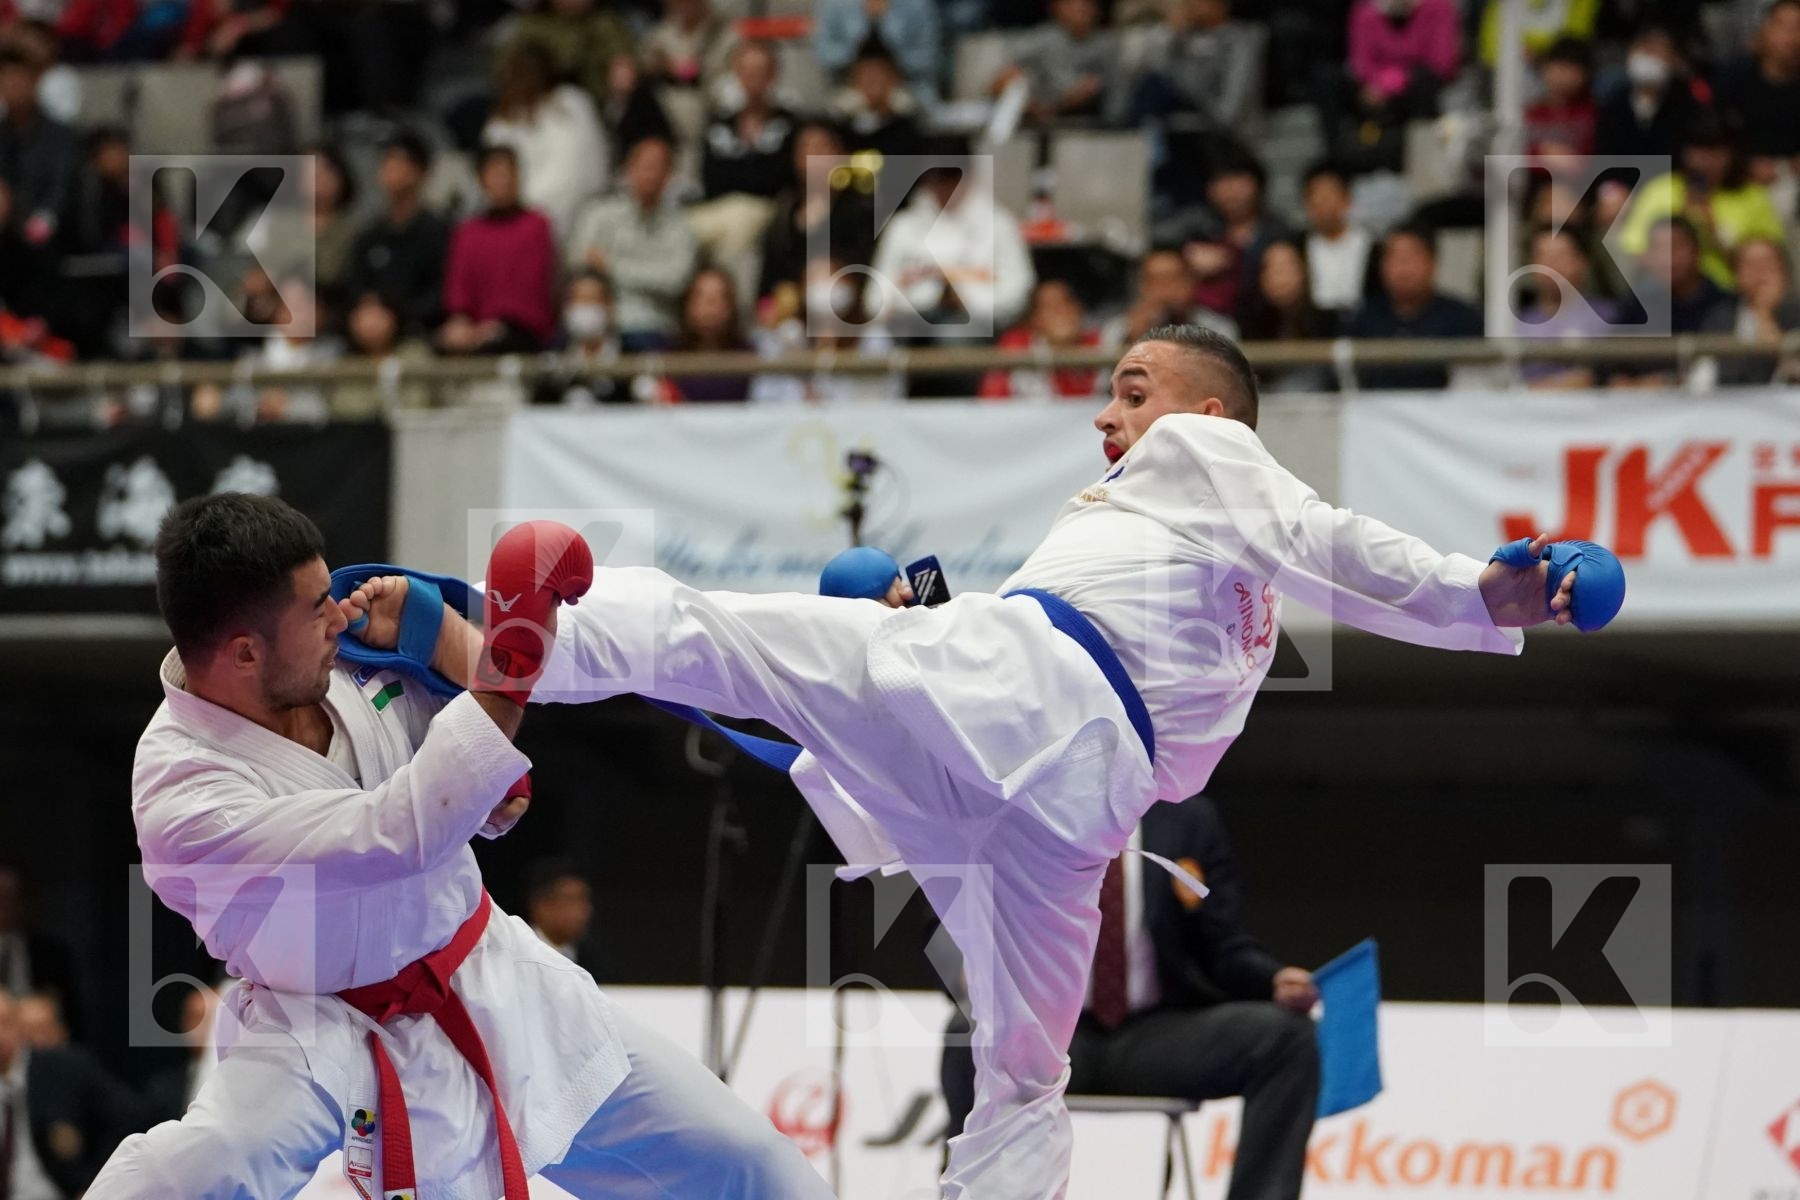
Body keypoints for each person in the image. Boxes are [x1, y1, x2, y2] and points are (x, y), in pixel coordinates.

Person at [521, 323, 1593, 1199]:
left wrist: (1475, 591)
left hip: (1056, 755)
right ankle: (496, 639)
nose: (1106, 414)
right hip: (1048, 755)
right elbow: (1321, 561)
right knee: (1023, 1078)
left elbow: (1333, 545)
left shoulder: (1208, 460)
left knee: (739, 647)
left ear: (1208, 417)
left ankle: (516, 639)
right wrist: (1472, 597)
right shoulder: (1182, 547)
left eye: (1133, 390)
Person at [88, 493, 835, 1198]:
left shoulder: (343, 659)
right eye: (315, 609)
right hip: (321, 1032)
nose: (336, 618)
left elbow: (501, 798)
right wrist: (509, 668)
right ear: (245, 654)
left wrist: (439, 638)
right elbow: (393, 836)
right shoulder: (185, 794)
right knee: (199, 1166)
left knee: (754, 1166)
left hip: (492, 976)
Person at [941, 794, 1320, 1200]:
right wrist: (967, 970)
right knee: (970, 1030)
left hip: (1157, 1036)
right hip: (1045, 1033)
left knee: (1288, 1038)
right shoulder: (1020, 806)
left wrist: (1274, 978)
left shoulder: (1185, 817)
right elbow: (944, 923)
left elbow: (1222, 943)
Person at [864, 145, 1036, 338]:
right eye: (934, 177)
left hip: (976, 321)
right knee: (876, 338)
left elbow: (1018, 292)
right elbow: (875, 296)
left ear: (969, 175)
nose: (942, 187)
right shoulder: (903, 226)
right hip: (909, 320)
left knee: (952, 334)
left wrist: (966, 299)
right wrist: (906, 301)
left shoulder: (999, 224)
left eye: (950, 176)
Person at [2, 987, 150, 1199]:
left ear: (19, 1025)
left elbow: (132, 1116)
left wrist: (97, 1181)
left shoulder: (60, 1067)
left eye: (4, 1022)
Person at [1616, 109, 1786, 292]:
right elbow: (1634, 251)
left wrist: (1716, 232)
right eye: (1698, 152)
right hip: (1667, 296)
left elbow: (1769, 263)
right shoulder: (1659, 191)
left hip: (1733, 297)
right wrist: (1677, 247)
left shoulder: (1753, 198)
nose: (1705, 162)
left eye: (1716, 153)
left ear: (1732, 154)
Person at [566, 136, 698, 349]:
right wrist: (650, 275)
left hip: (655, 326)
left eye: (657, 167)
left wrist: (612, 267)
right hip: (598, 324)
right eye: (644, 166)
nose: (649, 175)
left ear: (669, 176)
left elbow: (676, 280)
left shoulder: (681, 227)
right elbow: (580, 263)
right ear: (629, 169)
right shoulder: (599, 215)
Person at [439, 143, 560, 354]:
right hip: (475, 331)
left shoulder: (536, 226)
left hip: (523, 331)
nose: (502, 181)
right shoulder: (468, 232)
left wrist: (498, 325)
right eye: (495, 174)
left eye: (508, 174)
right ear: (481, 180)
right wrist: (462, 324)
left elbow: (535, 289)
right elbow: (459, 292)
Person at [483, 41, 610, 241]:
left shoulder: (574, 103)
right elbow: (497, 184)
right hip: (527, 229)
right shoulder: (502, 123)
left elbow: (592, 173)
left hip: (583, 222)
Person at [1343, 222, 1482, 389]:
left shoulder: (1463, 318)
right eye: (1394, 257)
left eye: (1412, 257)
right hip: (1371, 410)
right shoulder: (1361, 318)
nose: (1403, 268)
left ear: (1433, 262)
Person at [349, 130, 451, 339]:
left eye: (399, 163)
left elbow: (441, 293)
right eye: (386, 163)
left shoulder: (438, 233)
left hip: (420, 335)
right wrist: (368, 310)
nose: (391, 170)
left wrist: (397, 318)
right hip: (368, 337)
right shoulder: (369, 235)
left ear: (420, 172)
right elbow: (357, 288)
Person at [1697, 235, 1800, 385]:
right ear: (1736, 274)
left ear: (1784, 272)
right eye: (1751, 265)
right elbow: (1706, 372)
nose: (1760, 273)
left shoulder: (1797, 314)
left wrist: (1765, 314)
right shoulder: (1722, 316)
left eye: (1768, 263)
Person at [1238, 238, 1338, 393]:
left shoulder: (1329, 321)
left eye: (1285, 267)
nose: (1278, 276)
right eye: (1269, 269)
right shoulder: (1249, 324)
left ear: (1303, 271)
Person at [978, 278, 1105, 400]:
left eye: (1066, 302)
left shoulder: (1102, 344)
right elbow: (990, 402)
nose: (1059, 312)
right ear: (1035, 319)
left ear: (1078, 309)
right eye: (1048, 307)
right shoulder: (1017, 346)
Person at [1713, 0, 1800, 174]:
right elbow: (1712, 134)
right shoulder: (1733, 78)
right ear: (1764, 29)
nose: (1791, 37)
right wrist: (1744, 162)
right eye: (1783, 26)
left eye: (1798, 28)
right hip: (1738, 176)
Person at [994, 0, 1117, 122]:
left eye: (1087, 4)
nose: (1080, 9)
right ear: (1055, 8)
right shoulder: (1043, 38)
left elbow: (1115, 87)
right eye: (1070, 4)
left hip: (1084, 114)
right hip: (1036, 107)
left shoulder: (1106, 45)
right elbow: (1005, 69)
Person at [1594, 25, 1700, 160]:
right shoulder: (1613, 105)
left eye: (1658, 52)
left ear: (1674, 60)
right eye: (1644, 50)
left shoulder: (1687, 109)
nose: (1649, 58)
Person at [1101, 245, 1238, 348]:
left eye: (1172, 280)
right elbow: (1106, 383)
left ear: (1190, 282)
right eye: (1156, 282)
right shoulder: (1117, 330)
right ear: (1142, 287)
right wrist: (1131, 339)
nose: (1165, 291)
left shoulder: (1219, 329)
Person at [812, 0, 941, 102]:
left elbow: (927, 57)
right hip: (848, 84)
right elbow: (825, 55)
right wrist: (857, 58)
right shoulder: (834, 3)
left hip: (907, 85)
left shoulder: (917, 4)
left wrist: (889, 65)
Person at [0, 868, 77, 1036]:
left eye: (11, 898)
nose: (4, 906)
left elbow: (71, 1019)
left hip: (37, 1047)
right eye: (1, 897)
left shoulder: (51, 954)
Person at [665, 266, 753, 401]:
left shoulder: (751, 357)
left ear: (731, 307)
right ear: (687, 305)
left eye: (719, 298)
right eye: (701, 297)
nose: (710, 307)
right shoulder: (666, 358)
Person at [1300, 161, 1370, 316]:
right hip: (1314, 325)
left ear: (1347, 199)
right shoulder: (1296, 246)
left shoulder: (1371, 243)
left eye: (1330, 194)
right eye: (1316, 195)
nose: (1324, 203)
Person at [524, 858, 603, 976]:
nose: (584, 910)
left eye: (585, 900)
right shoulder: (516, 954)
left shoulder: (594, 962)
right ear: (542, 906)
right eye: (572, 900)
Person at [1525, 36, 1597, 157]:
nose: (1562, 76)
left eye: (1570, 68)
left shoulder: (1594, 115)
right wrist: (1541, 153)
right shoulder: (1529, 115)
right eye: (1558, 68)